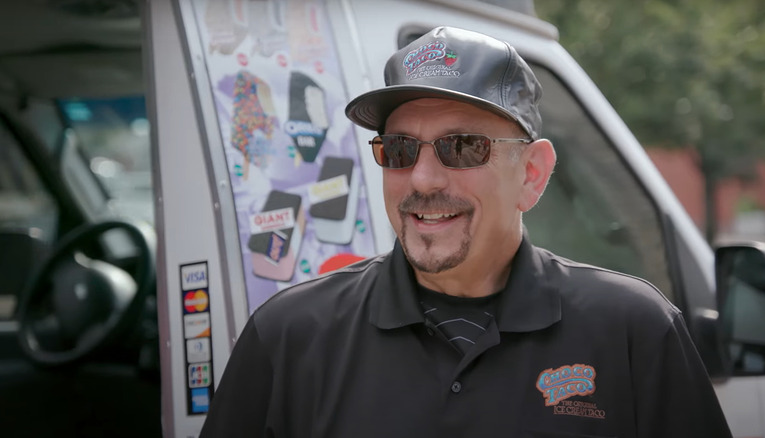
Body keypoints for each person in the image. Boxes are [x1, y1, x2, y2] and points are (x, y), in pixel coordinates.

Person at [200, 26, 732, 438]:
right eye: (400, 150)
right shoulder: (290, 337)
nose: (424, 179)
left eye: (462, 147)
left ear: (531, 174)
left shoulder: (633, 331)